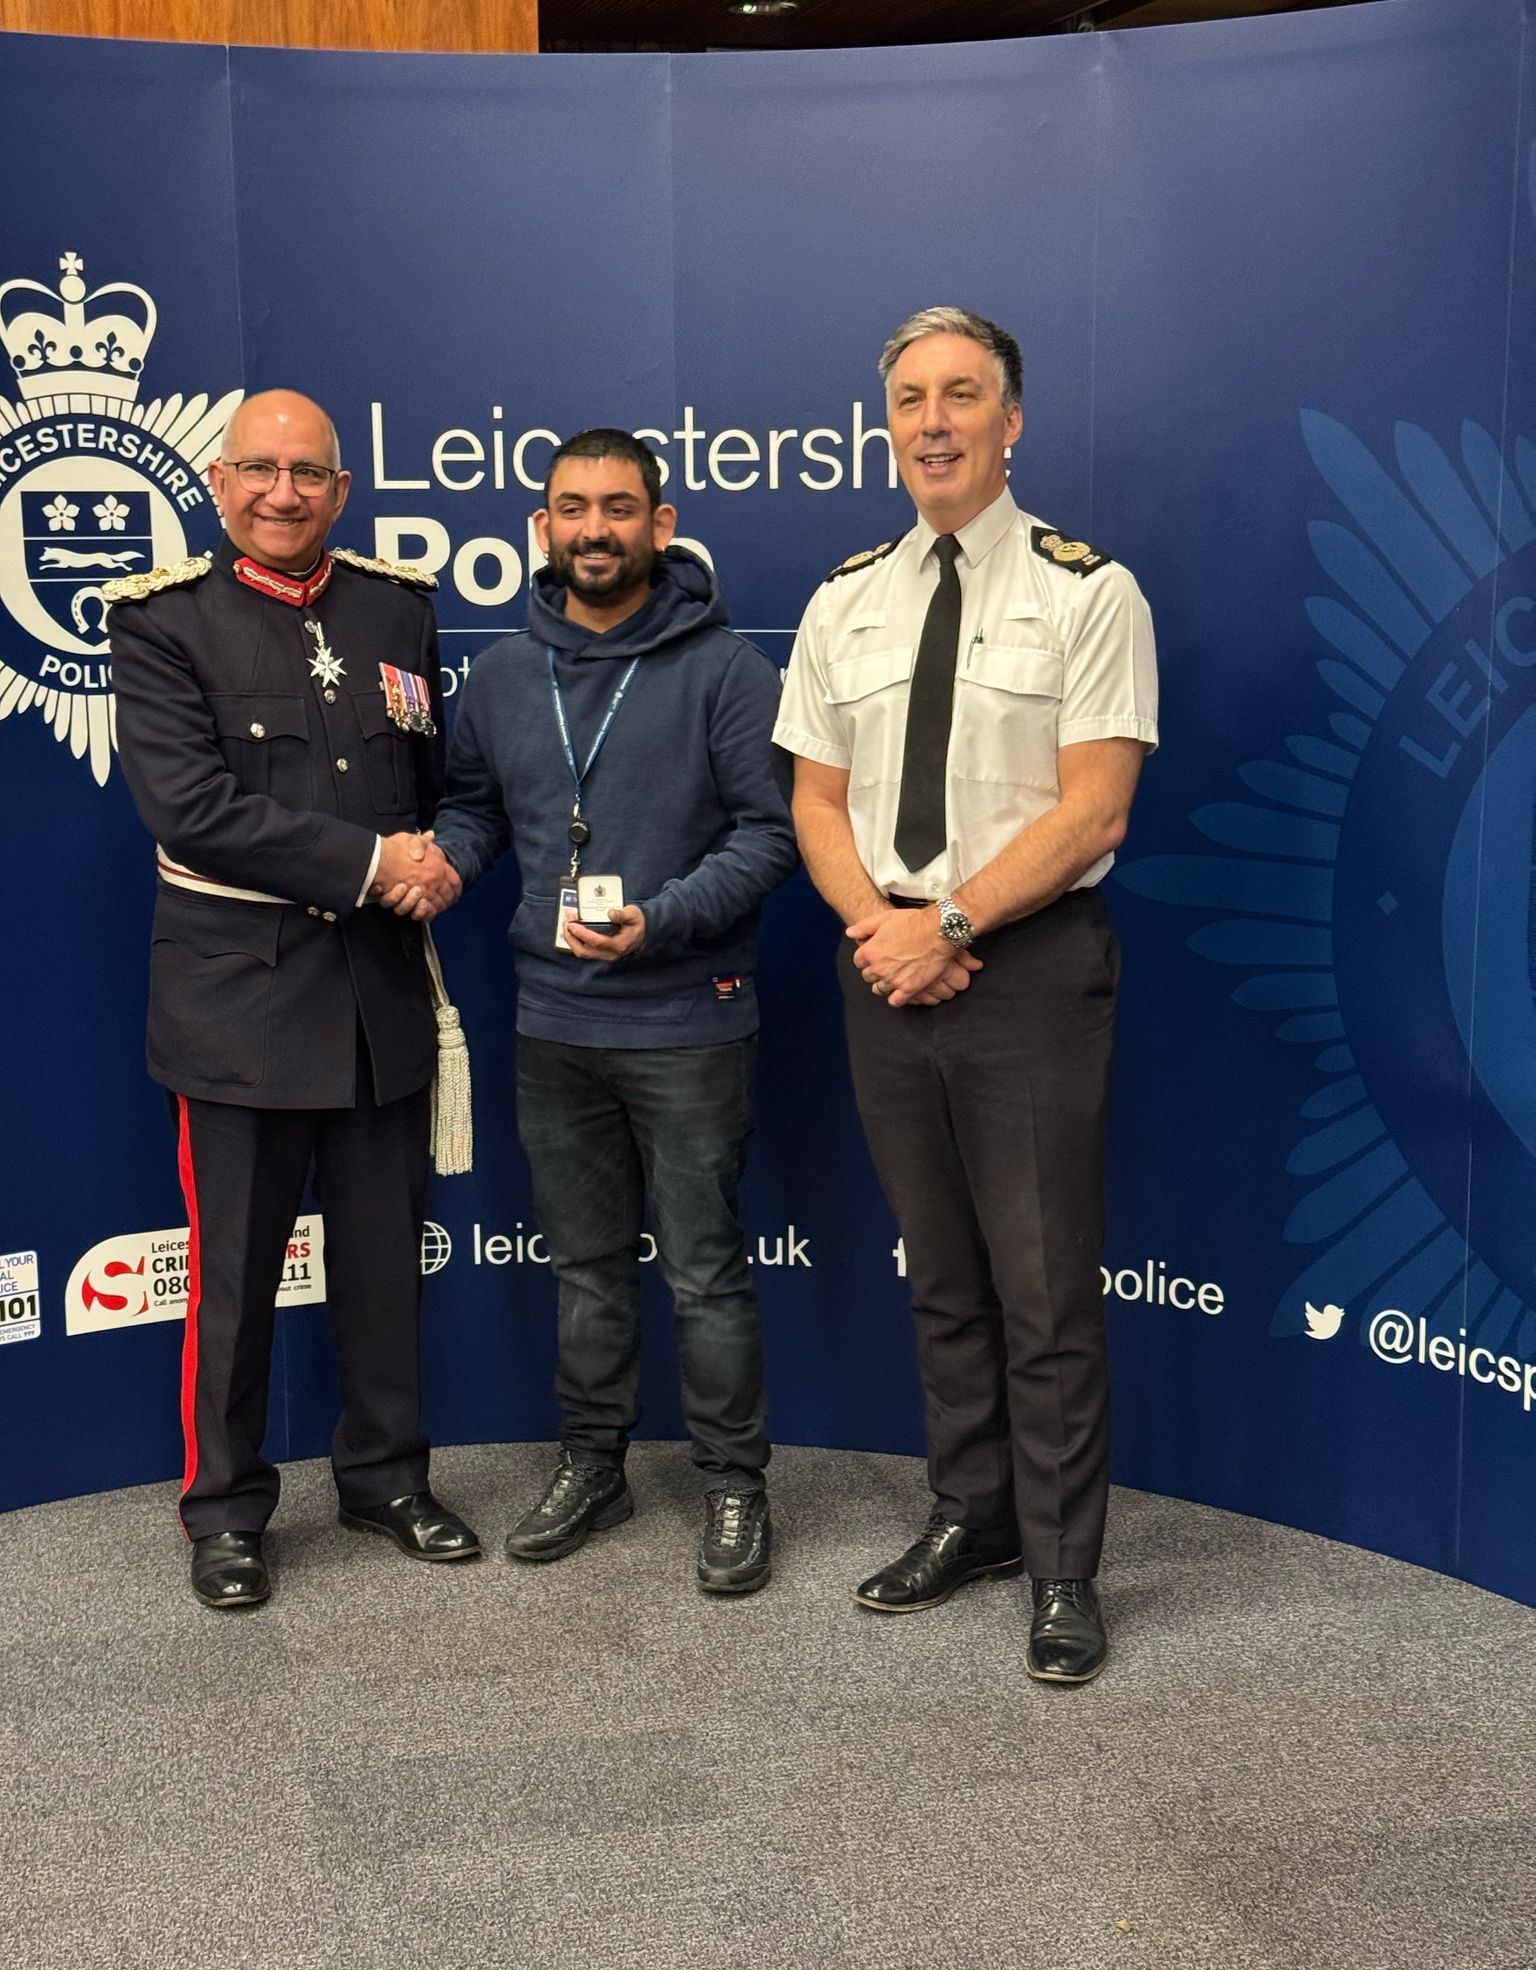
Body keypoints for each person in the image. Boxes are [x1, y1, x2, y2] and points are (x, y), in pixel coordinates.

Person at [774, 309, 1157, 1683]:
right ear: (887, 426)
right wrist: (881, 927)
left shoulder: (1087, 592)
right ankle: (973, 1516)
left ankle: (1061, 1569)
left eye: (963, 397)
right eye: (910, 400)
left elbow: (1097, 807)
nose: (933, 421)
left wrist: (945, 920)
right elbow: (815, 799)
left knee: (1044, 1286)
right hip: (884, 963)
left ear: (1012, 421)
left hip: (1029, 971)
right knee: (941, 1277)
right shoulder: (845, 599)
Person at [106, 388, 479, 1611]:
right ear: (219, 485)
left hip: (377, 999)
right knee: (234, 1284)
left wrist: (438, 857)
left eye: (309, 473)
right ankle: (225, 1510)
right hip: (241, 1010)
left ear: (342, 488)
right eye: (259, 471)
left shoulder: (398, 611)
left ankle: (384, 1477)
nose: (283, 493)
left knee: (382, 1267)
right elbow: (190, 810)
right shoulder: (165, 624)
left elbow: (436, 786)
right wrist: (378, 863)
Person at [424, 428, 796, 1595]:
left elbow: (771, 834)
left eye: (619, 508)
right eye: (573, 508)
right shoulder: (497, 672)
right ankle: (597, 1461)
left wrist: (664, 915)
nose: (595, 529)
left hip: (688, 1015)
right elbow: (480, 811)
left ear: (662, 523)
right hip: (555, 1022)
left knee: (703, 1269)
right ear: (543, 527)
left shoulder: (727, 667)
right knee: (584, 1268)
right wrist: (438, 860)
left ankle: (736, 1482)